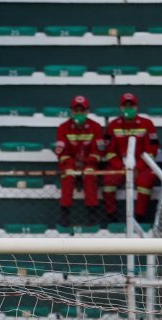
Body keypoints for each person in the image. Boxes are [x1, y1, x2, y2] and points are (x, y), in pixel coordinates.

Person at [103, 93, 161, 222]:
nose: (128, 108)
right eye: (125, 105)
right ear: (121, 107)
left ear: (136, 107)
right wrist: (122, 167)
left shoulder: (147, 124)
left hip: (142, 166)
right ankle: (111, 216)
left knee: (146, 181)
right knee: (107, 181)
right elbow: (109, 152)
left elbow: (152, 151)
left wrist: (138, 167)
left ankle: (139, 218)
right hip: (120, 167)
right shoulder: (113, 125)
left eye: (131, 105)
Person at [55, 95, 105, 227]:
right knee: (67, 176)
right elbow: (62, 152)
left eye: (81, 110)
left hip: (89, 164)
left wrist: (89, 163)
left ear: (87, 111)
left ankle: (92, 215)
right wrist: (70, 165)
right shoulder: (63, 128)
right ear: (71, 111)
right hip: (70, 164)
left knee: (90, 176)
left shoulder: (96, 127)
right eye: (76, 110)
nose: (78, 113)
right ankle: (64, 214)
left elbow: (98, 151)